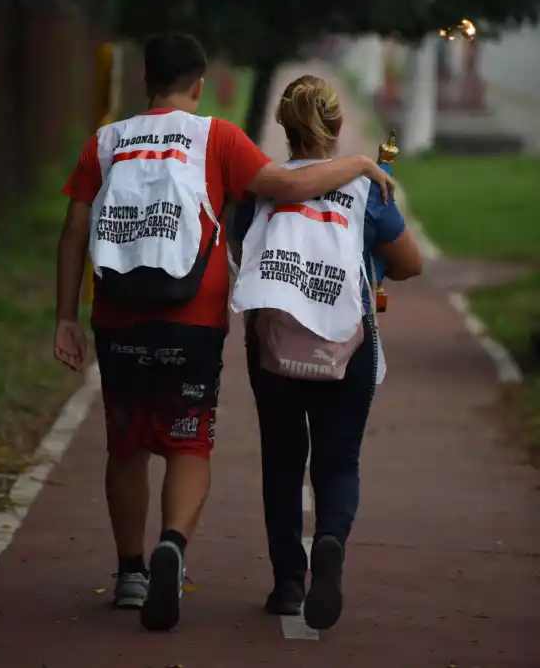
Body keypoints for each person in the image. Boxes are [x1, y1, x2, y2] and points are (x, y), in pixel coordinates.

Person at [54, 36, 396, 633]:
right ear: (200, 85)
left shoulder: (105, 141)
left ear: (145, 83)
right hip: (191, 322)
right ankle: (173, 546)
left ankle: (132, 571)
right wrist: (363, 164)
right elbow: (288, 186)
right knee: (189, 443)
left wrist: (64, 316)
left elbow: (73, 231)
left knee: (127, 444)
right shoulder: (214, 137)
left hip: (116, 318)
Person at [231, 74, 423, 631]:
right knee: (338, 459)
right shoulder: (371, 189)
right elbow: (411, 263)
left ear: (283, 126)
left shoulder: (261, 185)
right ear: (337, 125)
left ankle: (288, 582)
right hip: (347, 340)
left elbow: (246, 247)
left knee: (282, 460)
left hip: (274, 340)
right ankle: (331, 541)